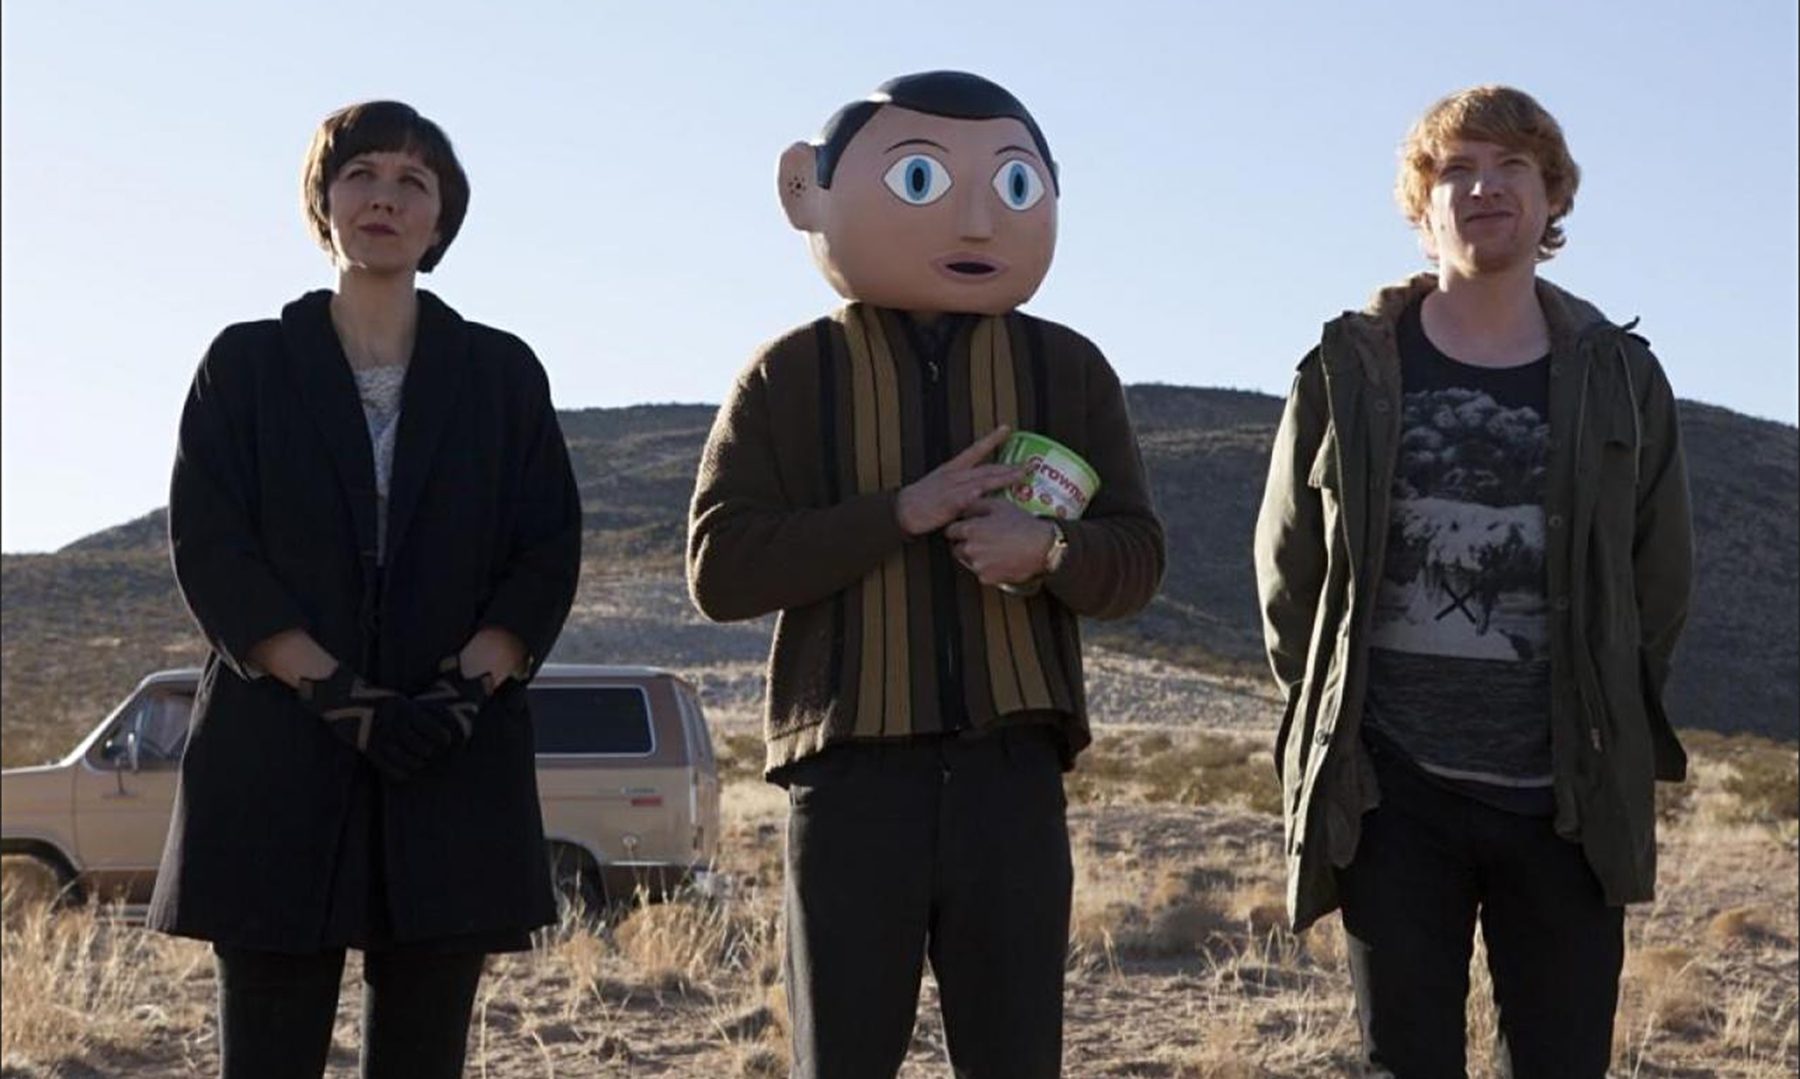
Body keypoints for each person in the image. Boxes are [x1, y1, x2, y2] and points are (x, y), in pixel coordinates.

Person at [687, 70, 1164, 1078]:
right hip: (850, 774)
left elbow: (1137, 562)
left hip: (1013, 776)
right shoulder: (789, 373)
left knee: (1017, 1057)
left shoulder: (1070, 370)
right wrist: (899, 512)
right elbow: (719, 569)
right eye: (921, 179)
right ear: (806, 193)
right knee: (843, 1057)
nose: (977, 219)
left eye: (1015, 186)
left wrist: (1051, 552)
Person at [1253, 85, 1693, 1077]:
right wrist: (1338, 727)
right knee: (1404, 1059)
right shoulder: (1347, 367)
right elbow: (1290, 571)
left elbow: (1658, 578)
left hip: (1566, 795)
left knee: (1561, 1059)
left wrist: (1605, 712)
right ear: (1424, 205)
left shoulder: (1622, 378)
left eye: (1510, 167)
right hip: (1392, 793)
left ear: (1552, 197)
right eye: (1456, 170)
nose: (1483, 187)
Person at [148, 100, 582, 1079]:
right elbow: (213, 548)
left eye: (412, 181)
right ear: (324, 202)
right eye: (361, 174)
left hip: (447, 753)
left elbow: (546, 549)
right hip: (277, 751)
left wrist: (460, 693)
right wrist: (339, 695)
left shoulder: (503, 374)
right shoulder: (245, 364)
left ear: (441, 219)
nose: (385, 197)